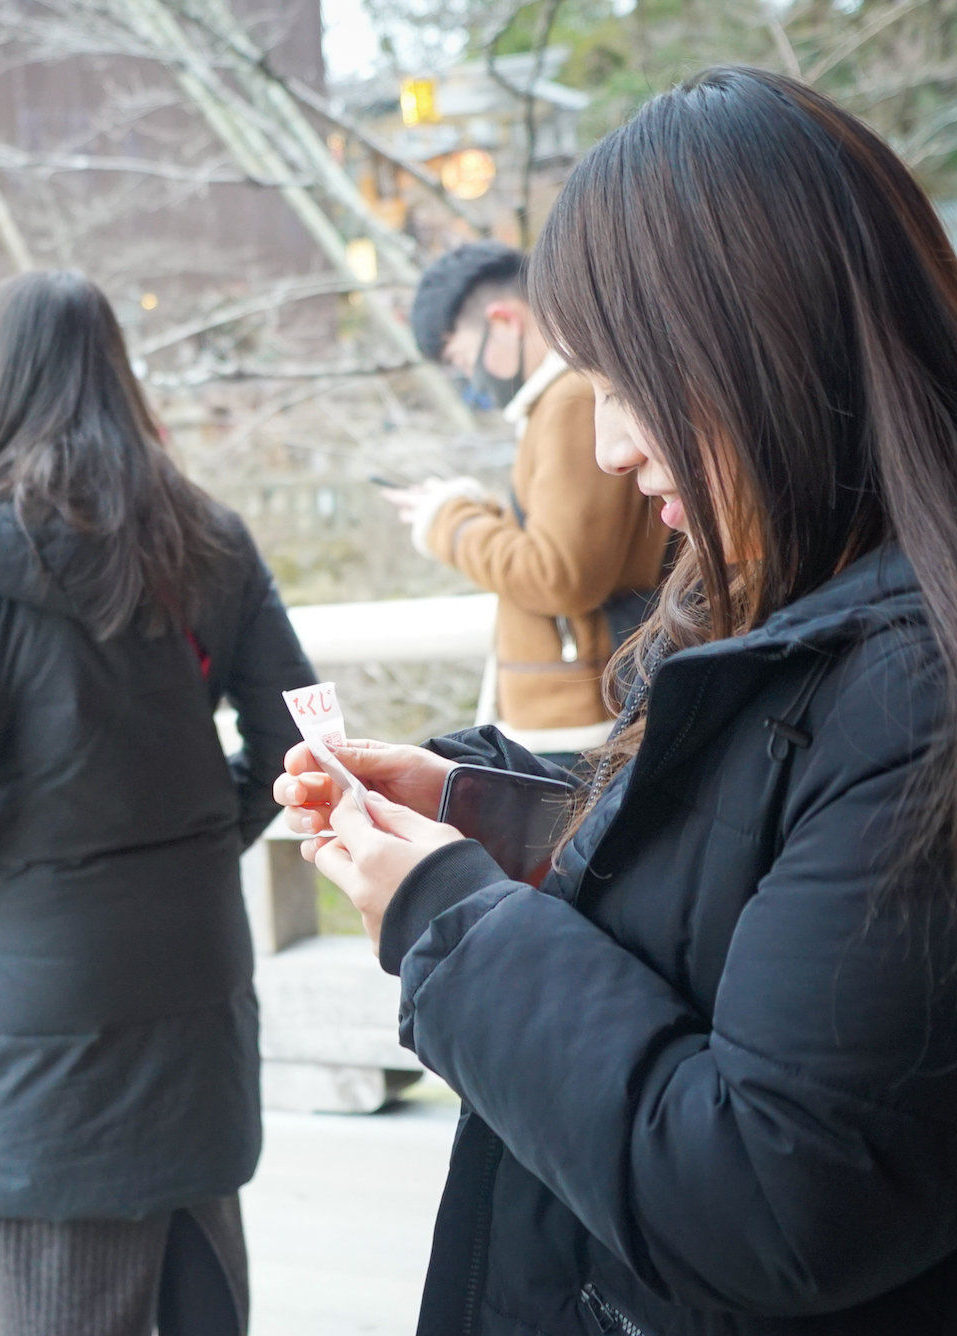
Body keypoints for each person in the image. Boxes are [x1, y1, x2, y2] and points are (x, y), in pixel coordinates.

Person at [280, 68, 957, 1335]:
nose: (607, 445)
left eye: (623, 381)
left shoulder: (916, 701)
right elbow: (751, 912)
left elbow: (768, 1197)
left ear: (761, 344)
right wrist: (501, 828)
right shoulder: (785, 618)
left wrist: (450, 917)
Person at [0, 269, 316, 1336]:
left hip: (41, 988)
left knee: (59, 1293)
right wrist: (203, 837)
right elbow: (292, 740)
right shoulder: (206, 535)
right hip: (191, 958)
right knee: (197, 1271)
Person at [387, 242, 667, 764]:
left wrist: (448, 521)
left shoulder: (570, 399)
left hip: (586, 716)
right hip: (593, 706)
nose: (469, 379)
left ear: (504, 320)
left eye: (461, 359)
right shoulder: (564, 398)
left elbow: (559, 574)